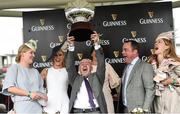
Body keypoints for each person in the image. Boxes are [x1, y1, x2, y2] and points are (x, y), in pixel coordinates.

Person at [2, 39, 47, 114]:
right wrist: (29, 94)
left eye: (34, 53)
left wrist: (43, 96)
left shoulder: (35, 72)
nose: (34, 55)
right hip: (22, 109)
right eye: (31, 53)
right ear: (22, 54)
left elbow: (41, 91)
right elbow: (10, 88)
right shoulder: (14, 68)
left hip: (37, 109)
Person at [66, 31, 107, 113]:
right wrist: (71, 46)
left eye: (87, 63)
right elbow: (70, 67)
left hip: (95, 111)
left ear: (91, 68)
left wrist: (96, 44)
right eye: (82, 64)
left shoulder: (97, 77)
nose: (84, 65)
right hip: (78, 111)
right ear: (79, 69)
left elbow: (102, 64)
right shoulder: (75, 79)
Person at [117, 40, 155, 113]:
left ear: (135, 51)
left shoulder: (145, 66)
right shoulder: (126, 67)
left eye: (125, 50)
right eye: (122, 50)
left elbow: (150, 90)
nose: (122, 52)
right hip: (125, 109)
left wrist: (144, 110)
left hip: (139, 111)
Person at [148, 31, 180, 113]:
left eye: (159, 42)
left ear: (167, 46)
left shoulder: (174, 62)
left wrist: (171, 80)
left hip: (171, 100)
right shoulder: (151, 63)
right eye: (155, 42)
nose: (156, 44)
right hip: (156, 100)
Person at [41, 45, 69, 114]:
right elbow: (36, 87)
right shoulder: (46, 71)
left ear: (64, 56)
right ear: (52, 57)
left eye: (60, 55)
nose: (57, 58)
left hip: (64, 105)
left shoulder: (68, 71)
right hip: (49, 105)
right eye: (55, 55)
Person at [91, 49, 120, 114]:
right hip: (90, 98)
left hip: (106, 96)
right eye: (95, 51)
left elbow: (116, 81)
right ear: (91, 54)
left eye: (99, 51)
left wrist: (118, 93)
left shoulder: (107, 66)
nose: (97, 53)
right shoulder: (86, 65)